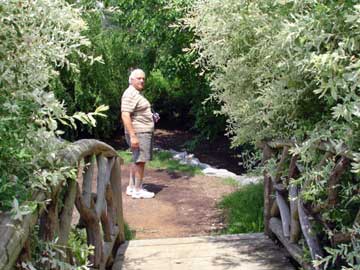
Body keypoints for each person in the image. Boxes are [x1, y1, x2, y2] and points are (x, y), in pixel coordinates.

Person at [121, 68, 159, 199]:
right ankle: (138, 190)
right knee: (140, 161)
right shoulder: (130, 93)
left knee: (136, 159)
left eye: (143, 78)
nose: (142, 80)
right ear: (131, 80)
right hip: (139, 132)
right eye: (139, 78)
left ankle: (132, 187)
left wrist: (151, 116)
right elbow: (125, 115)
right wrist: (133, 136)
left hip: (141, 131)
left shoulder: (136, 93)